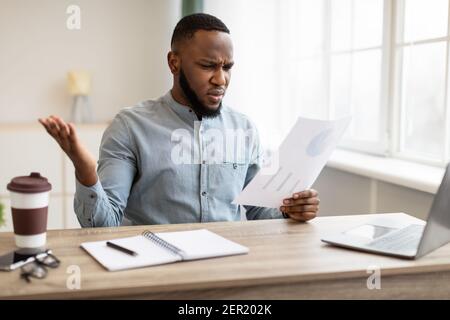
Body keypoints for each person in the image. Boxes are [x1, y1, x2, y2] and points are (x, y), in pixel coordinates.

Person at [38, 13, 320, 227]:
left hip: (229, 270)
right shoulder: (130, 127)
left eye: (227, 67)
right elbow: (102, 223)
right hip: (156, 275)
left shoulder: (244, 129)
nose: (221, 79)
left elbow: (259, 212)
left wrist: (289, 210)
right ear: (174, 62)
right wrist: (86, 171)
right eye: (208, 66)